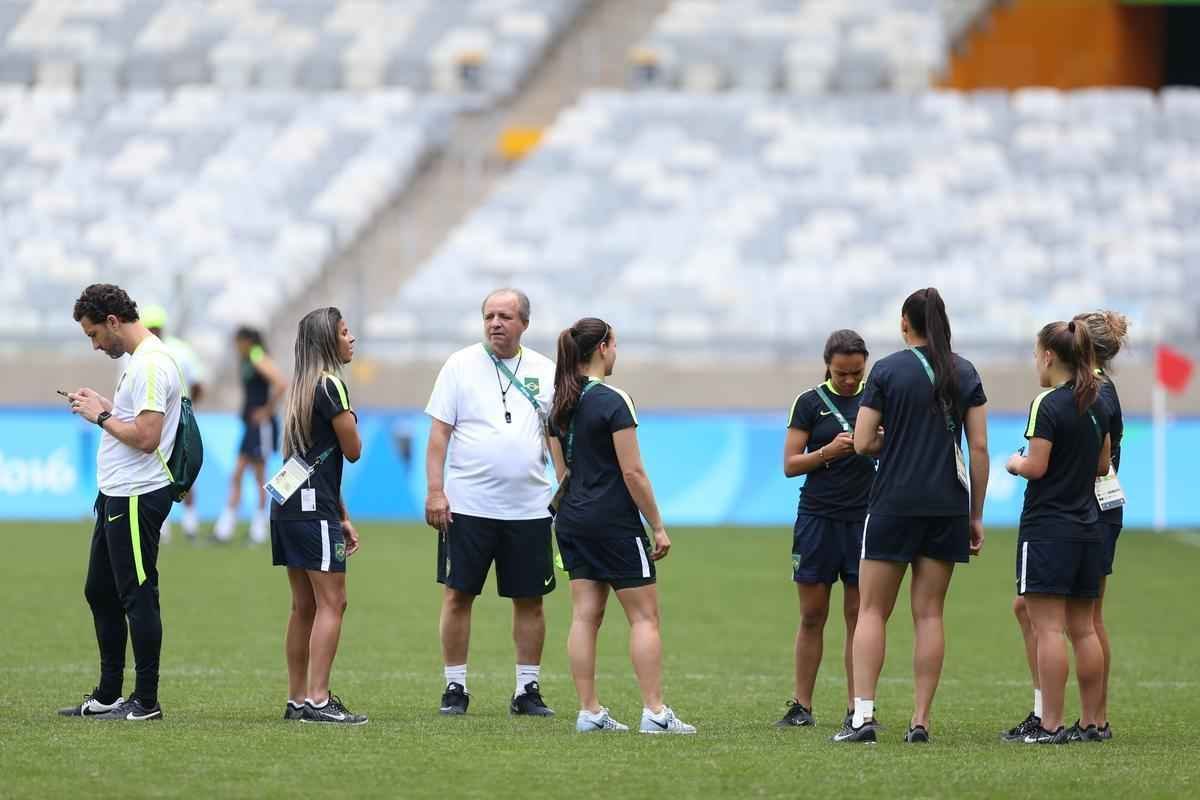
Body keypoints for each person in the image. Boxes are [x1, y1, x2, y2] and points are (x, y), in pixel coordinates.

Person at [837, 287, 989, 744]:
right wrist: (975, 515)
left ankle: (863, 716)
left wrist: (894, 440)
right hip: (947, 506)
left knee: (871, 610)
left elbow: (863, 442)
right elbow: (979, 448)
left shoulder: (887, 370)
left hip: (893, 503)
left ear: (905, 322)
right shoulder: (965, 372)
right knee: (929, 614)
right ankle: (920, 720)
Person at [549, 318, 695, 734]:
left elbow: (562, 474)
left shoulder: (557, 403)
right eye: (615, 345)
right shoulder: (614, 400)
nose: (616, 352)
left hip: (571, 519)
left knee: (584, 617)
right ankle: (655, 713)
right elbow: (633, 472)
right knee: (645, 618)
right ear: (603, 347)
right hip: (613, 521)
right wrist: (658, 525)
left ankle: (589, 712)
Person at [424, 288, 558, 717]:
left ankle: (527, 690)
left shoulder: (546, 370)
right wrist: (436, 491)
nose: (495, 323)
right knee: (458, 595)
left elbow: (554, 435)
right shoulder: (459, 365)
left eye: (505, 316)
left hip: (530, 507)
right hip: (467, 506)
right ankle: (455, 687)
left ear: (524, 323)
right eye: (489, 316)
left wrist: (565, 487)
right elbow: (439, 435)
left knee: (530, 600)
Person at [58, 284, 183, 722]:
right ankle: (110, 694)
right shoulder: (141, 361)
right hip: (117, 492)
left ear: (113, 321)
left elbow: (147, 437)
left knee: (137, 595)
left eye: (94, 334)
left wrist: (101, 416)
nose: (94, 345)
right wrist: (106, 406)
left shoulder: (149, 364)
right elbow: (136, 421)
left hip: (135, 493)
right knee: (100, 590)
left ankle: (145, 701)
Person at [1002, 311, 1127, 744]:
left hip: (1048, 525)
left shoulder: (1048, 403)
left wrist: (1015, 462)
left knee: (1049, 628)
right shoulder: (1099, 400)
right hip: (1090, 524)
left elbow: (1036, 466)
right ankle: (1093, 722)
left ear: (1049, 356)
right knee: (1085, 626)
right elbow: (1103, 464)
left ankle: (1050, 723)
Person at [271, 307, 366, 725]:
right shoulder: (332, 386)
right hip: (313, 510)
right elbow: (353, 450)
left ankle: (297, 699)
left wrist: (340, 512)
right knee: (333, 601)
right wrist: (352, 418)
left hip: (288, 504)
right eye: (344, 332)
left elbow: (308, 459)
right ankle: (319, 699)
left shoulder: (300, 388)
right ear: (328, 340)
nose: (351, 338)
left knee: (303, 606)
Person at [777, 330, 875, 729]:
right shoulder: (809, 402)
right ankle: (801, 706)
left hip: (865, 519)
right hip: (817, 519)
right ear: (827, 367)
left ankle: (858, 707)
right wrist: (826, 452)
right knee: (812, 615)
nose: (849, 380)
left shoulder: (878, 399)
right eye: (841, 373)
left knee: (859, 616)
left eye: (856, 372)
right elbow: (790, 464)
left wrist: (878, 443)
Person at [140, 305, 207, 543]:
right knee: (167, 468)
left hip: (169, 417)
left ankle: (186, 522)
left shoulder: (147, 353)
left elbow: (198, 383)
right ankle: (170, 524)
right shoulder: (178, 350)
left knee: (178, 468)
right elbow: (198, 383)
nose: (154, 331)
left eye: (155, 327)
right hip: (167, 417)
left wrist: (188, 406)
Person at [214, 326, 286, 545]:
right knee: (238, 475)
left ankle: (258, 528)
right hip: (251, 427)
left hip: (261, 426)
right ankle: (226, 527)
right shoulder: (247, 360)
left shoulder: (256, 356)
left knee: (258, 477)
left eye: (238, 342)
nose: (236, 347)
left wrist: (266, 411)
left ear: (247, 341)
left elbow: (281, 383)